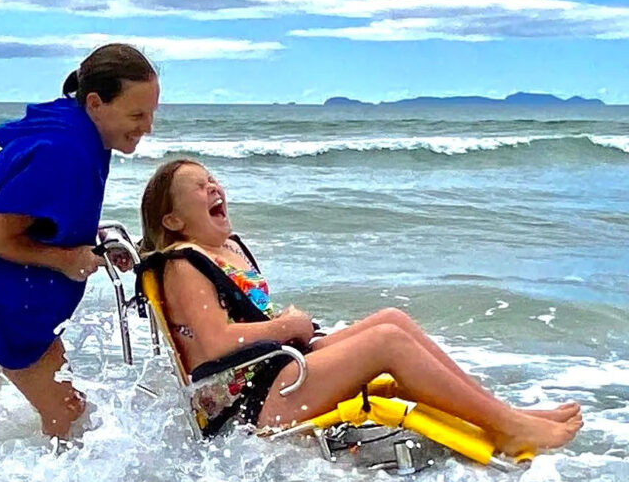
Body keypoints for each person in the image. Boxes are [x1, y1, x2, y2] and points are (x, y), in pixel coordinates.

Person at [139, 159, 582, 457]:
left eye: (212, 180)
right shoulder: (182, 263)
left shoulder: (227, 248)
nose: (213, 186)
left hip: (277, 370)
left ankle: (502, 412)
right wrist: (287, 325)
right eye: (199, 188)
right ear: (173, 221)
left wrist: (285, 329)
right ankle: (505, 427)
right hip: (249, 405)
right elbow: (216, 344)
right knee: (386, 342)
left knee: (394, 319)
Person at [0, 43, 159, 448]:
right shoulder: (66, 150)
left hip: (8, 300)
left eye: (151, 113)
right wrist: (66, 260)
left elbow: (45, 218)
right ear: (95, 103)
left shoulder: (85, 134)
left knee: (68, 413)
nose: (147, 126)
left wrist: (96, 241)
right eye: (137, 114)